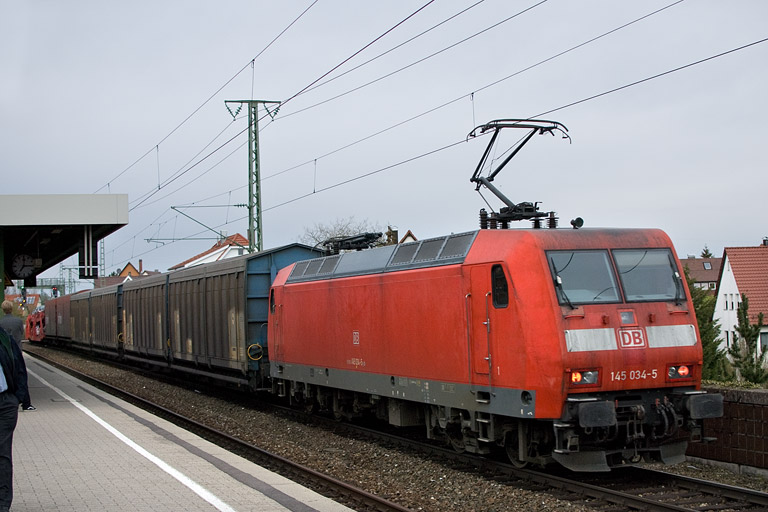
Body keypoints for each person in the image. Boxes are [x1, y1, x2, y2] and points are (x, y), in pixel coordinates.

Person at [0, 325, 29, 512]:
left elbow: (19, 368)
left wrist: (18, 397)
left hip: (5, 403)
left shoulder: (4, 340)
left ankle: (3, 503)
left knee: (2, 453)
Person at [0, 302, 34, 412]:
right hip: (17, 351)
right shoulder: (18, 321)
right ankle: (26, 403)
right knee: (21, 375)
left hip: (5, 355)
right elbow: (21, 333)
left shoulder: (1, 322)